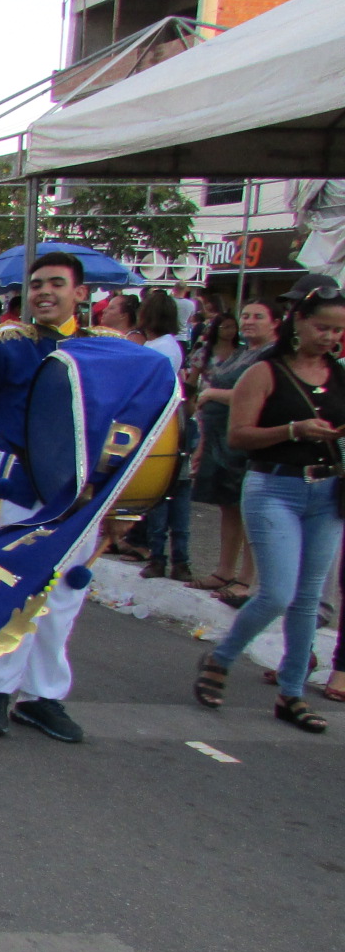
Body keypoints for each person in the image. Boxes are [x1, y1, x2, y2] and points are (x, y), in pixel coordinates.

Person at [0, 251, 116, 742]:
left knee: (64, 594)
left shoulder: (104, 348)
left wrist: (126, 500)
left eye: (56, 283)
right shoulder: (7, 343)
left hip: (83, 491)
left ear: (80, 293)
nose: (44, 292)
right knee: (11, 584)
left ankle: (43, 697)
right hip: (20, 480)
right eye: (36, 284)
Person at [190, 287, 345, 734]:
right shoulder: (264, 372)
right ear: (298, 322)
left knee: (308, 598)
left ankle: (291, 693)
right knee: (277, 592)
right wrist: (293, 430)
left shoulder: (339, 375)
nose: (329, 337)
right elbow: (239, 435)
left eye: (337, 330)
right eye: (322, 327)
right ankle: (222, 656)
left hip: (327, 492)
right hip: (274, 487)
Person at [191, 305, 272, 599]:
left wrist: (212, 394)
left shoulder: (271, 356)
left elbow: (255, 396)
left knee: (249, 509)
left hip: (247, 441)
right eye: (246, 316)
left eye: (258, 316)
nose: (248, 321)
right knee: (228, 506)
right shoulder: (241, 352)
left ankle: (246, 579)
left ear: (275, 323)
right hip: (219, 439)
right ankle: (224, 570)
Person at [134, 289, 193, 580]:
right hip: (168, 422)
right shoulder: (167, 345)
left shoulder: (158, 349)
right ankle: (172, 557)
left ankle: (167, 557)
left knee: (166, 493)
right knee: (173, 494)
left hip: (161, 425)